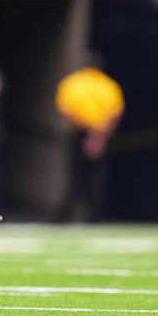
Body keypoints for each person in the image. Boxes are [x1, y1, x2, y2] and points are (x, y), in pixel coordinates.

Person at [55, 65, 124, 222]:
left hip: (82, 134)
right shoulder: (108, 85)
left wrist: (92, 135)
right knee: (90, 179)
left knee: (78, 178)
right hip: (98, 135)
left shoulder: (73, 83)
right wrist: (98, 137)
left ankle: (80, 217)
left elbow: (66, 112)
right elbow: (115, 115)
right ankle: (89, 217)